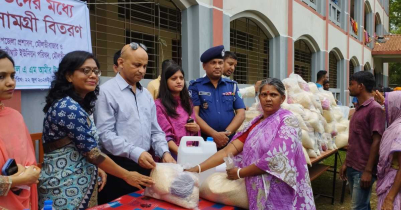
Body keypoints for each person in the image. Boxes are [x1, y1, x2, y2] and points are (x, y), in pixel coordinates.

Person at [39, 51, 154, 209]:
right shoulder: (68, 107)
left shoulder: (78, 105)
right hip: (65, 186)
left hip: (82, 183)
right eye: (86, 71)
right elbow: (93, 153)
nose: (93, 75)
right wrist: (127, 175)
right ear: (68, 76)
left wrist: (98, 167)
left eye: (95, 71)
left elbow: (82, 146)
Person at [186, 78, 315, 209]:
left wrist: (239, 173)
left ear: (282, 98)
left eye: (273, 95)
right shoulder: (255, 123)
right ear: (259, 98)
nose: (268, 98)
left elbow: (275, 159)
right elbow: (227, 151)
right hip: (256, 189)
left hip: (278, 190)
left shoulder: (287, 121)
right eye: (264, 94)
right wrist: (197, 168)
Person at [95, 43, 175, 204]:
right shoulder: (106, 92)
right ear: (120, 63)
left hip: (145, 164)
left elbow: (155, 130)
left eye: (145, 66)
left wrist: (164, 152)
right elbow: (105, 135)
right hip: (118, 167)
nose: (142, 70)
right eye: (137, 65)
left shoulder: (145, 94)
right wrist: (135, 152)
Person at [0, 50, 41, 210]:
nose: (11, 82)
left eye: (12, 75)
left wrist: (29, 173)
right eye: (1, 77)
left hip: (23, 202)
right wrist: (16, 181)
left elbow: (31, 165)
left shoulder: (15, 117)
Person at [339, 71, 385, 210]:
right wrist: (347, 162)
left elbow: (377, 141)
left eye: (352, 84)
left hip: (363, 169)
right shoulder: (358, 109)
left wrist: (368, 171)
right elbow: (355, 140)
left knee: (358, 207)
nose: (349, 87)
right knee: (362, 206)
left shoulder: (375, 109)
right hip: (353, 166)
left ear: (361, 86)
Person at [188, 45, 245, 149]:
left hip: (229, 141)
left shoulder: (232, 86)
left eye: (220, 63)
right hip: (205, 142)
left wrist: (225, 134)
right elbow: (194, 114)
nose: (218, 66)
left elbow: (241, 113)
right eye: (213, 63)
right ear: (204, 66)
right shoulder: (195, 86)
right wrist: (214, 135)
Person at [155, 63, 200, 159]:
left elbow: (194, 131)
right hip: (171, 154)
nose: (179, 81)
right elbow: (165, 136)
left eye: (181, 78)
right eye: (174, 78)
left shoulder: (188, 102)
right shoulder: (159, 105)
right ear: (165, 81)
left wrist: (196, 128)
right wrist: (182, 153)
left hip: (190, 152)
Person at [377, 91, 401, 210]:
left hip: (394, 188)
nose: (385, 109)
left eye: (387, 106)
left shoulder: (399, 130)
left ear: (396, 106)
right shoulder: (394, 126)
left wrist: (390, 198)